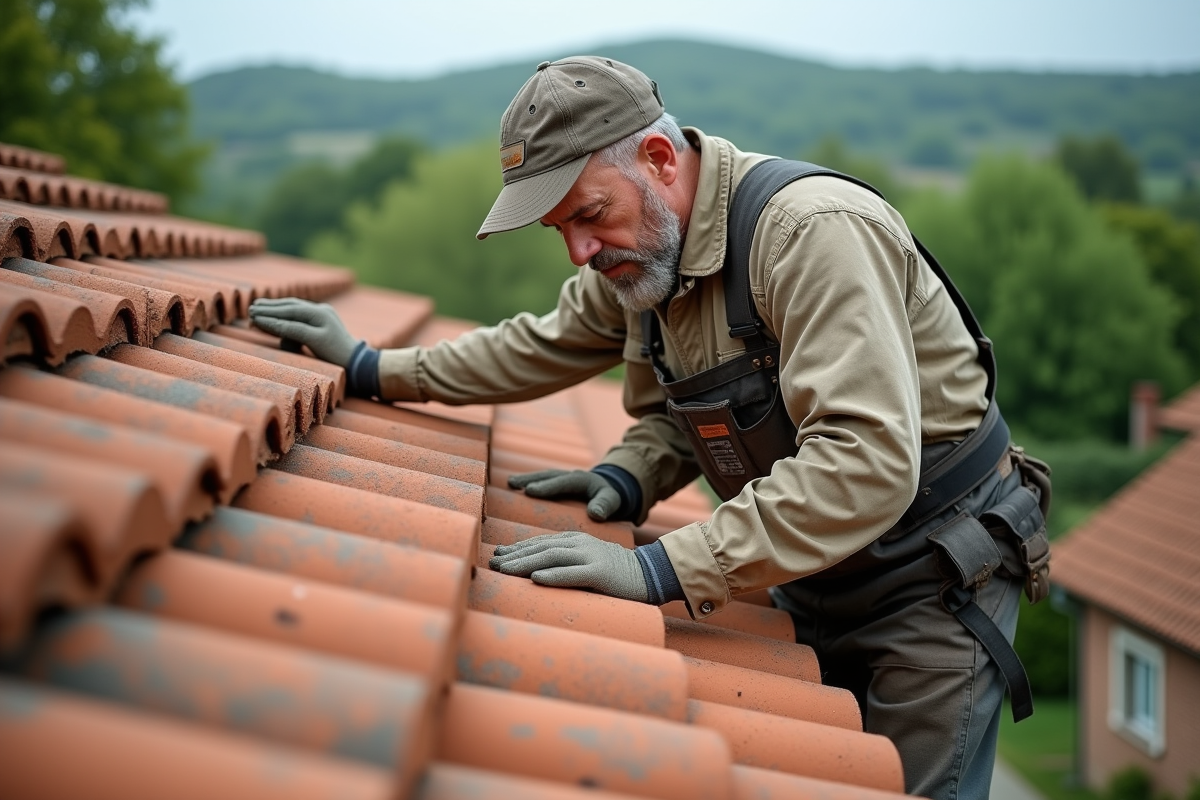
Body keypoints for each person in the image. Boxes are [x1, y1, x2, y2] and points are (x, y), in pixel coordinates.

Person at [249, 56, 1051, 800]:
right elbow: (544, 348)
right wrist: (369, 368)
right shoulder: (641, 255)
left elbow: (864, 462)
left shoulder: (810, 235)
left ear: (662, 162)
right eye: (557, 229)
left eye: (589, 214)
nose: (578, 251)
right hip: (809, 565)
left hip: (932, 579)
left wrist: (664, 570)